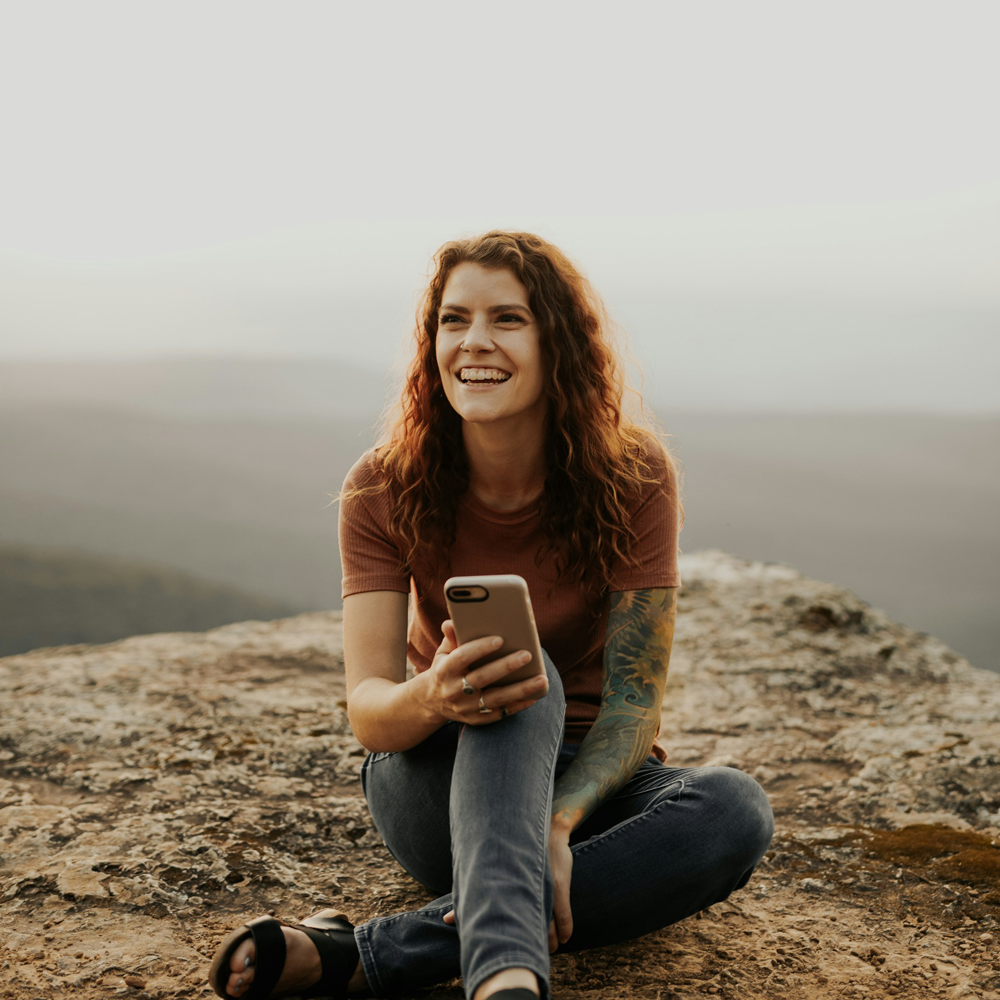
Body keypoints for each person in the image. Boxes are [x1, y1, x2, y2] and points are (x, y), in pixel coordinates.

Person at [209, 230, 774, 1000]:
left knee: (733, 812)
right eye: (453, 320)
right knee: (512, 666)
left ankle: (360, 955)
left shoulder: (634, 475)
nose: (474, 342)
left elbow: (635, 703)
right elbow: (371, 714)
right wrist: (436, 694)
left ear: (557, 344)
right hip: (438, 776)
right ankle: (507, 978)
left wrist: (560, 824)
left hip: (590, 789)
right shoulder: (382, 486)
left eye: (507, 319)